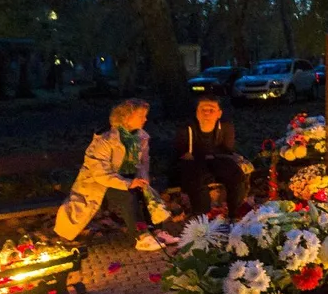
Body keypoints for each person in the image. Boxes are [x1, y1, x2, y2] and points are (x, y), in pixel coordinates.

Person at [54, 99, 176, 250]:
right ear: (126, 117)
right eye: (141, 116)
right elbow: (100, 174)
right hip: (101, 185)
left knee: (148, 192)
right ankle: (140, 236)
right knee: (129, 194)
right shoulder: (104, 141)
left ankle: (156, 230)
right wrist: (128, 183)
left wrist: (143, 178)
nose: (145, 119)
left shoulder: (141, 137)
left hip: (127, 179)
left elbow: (143, 162)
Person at [175, 95, 249, 219]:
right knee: (197, 178)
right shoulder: (187, 128)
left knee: (237, 176)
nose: (207, 113)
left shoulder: (225, 127)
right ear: (197, 112)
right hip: (194, 162)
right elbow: (183, 152)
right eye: (203, 109)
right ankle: (202, 217)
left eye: (211, 110)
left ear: (219, 113)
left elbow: (227, 150)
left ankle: (235, 214)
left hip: (219, 160)